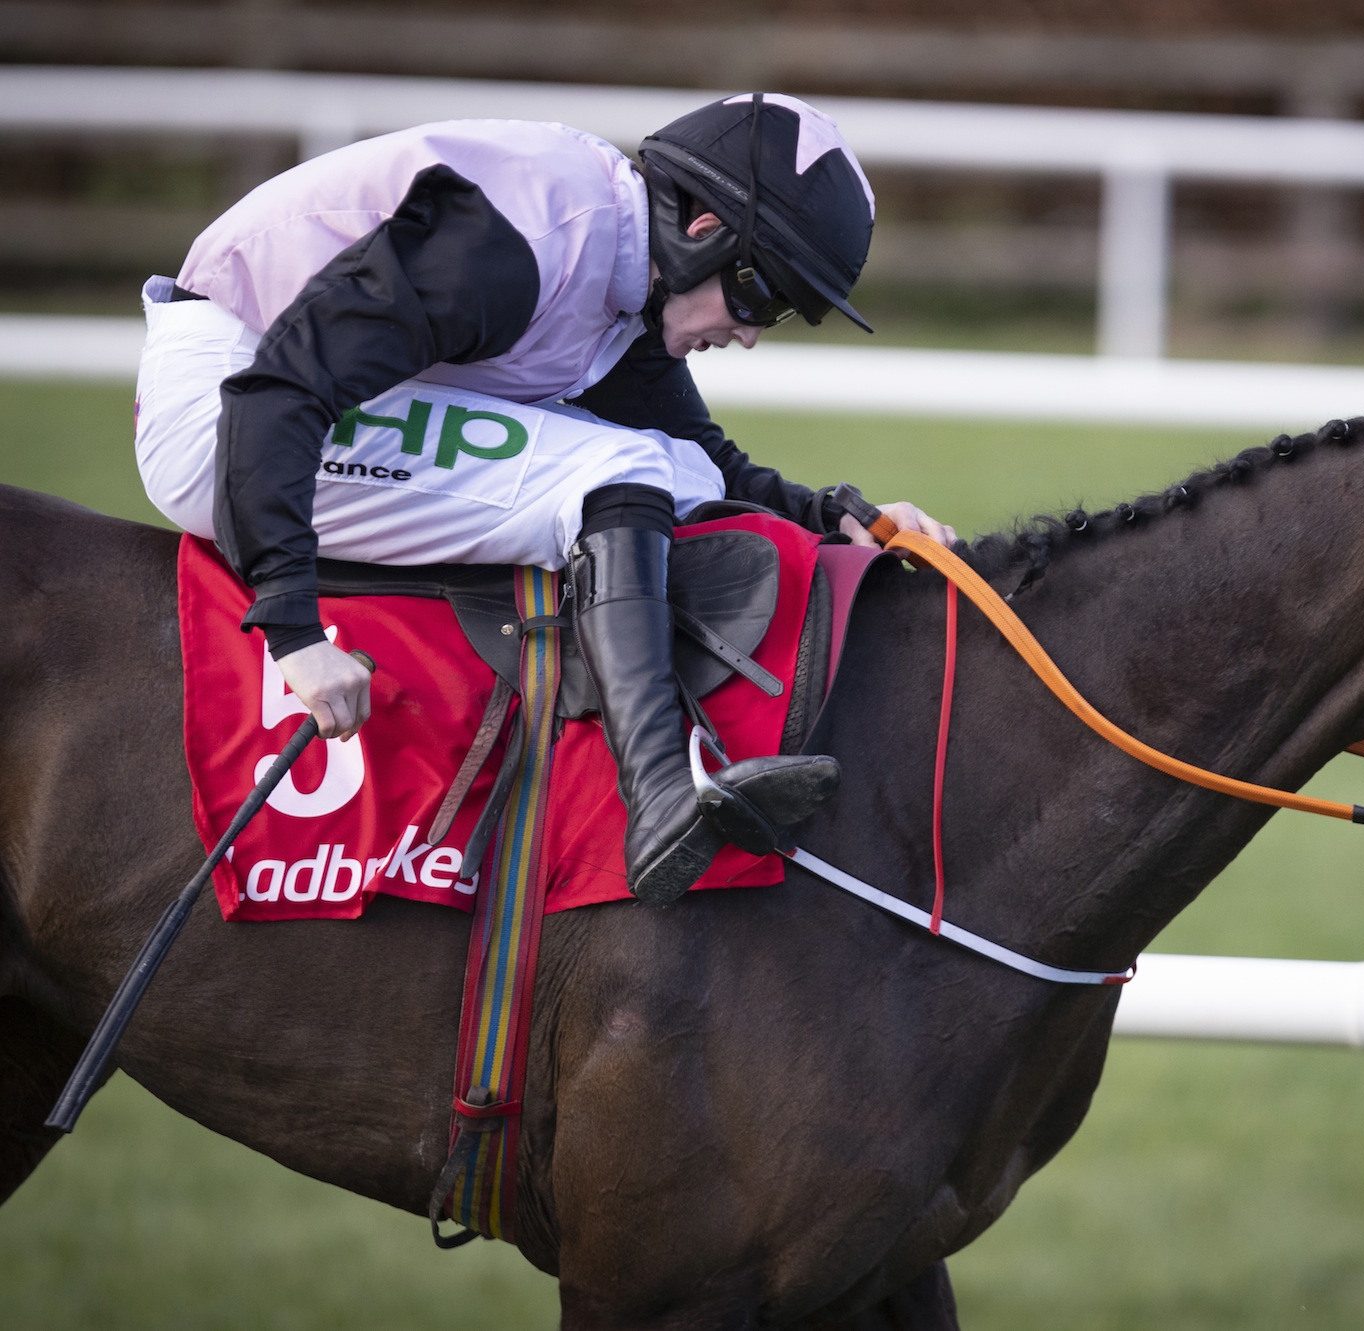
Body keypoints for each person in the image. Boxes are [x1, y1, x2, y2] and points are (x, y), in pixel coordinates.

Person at [133, 92, 957, 904]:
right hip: (229, 409)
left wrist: (836, 518)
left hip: (287, 390)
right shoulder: (510, 247)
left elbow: (707, 462)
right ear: (703, 230)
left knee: (671, 472)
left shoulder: (623, 276)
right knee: (614, 470)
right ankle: (660, 800)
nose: (749, 333)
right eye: (761, 297)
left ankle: (662, 785)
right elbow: (278, 390)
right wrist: (293, 631)